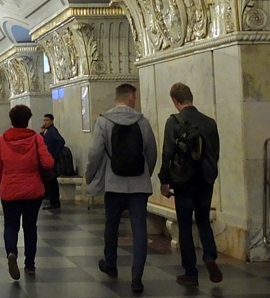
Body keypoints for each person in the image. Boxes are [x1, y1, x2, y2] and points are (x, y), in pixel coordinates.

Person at [84, 84, 157, 293]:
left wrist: (89, 175)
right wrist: (145, 174)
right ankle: (137, 277)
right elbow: (151, 153)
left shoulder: (103, 121)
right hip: (139, 184)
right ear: (131, 97)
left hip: (114, 182)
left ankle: (111, 264)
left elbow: (95, 152)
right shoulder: (142, 122)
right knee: (139, 229)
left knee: (111, 224)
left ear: (116, 98)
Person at [158, 82, 223, 286]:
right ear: (191, 98)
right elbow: (216, 152)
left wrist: (164, 181)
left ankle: (190, 273)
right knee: (203, 220)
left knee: (185, 225)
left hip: (183, 181)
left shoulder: (174, 121)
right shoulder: (210, 122)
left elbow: (168, 153)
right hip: (205, 180)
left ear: (175, 101)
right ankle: (210, 255)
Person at [0, 105, 54, 280]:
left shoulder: (2, 140)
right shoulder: (36, 138)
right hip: (33, 190)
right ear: (28, 120)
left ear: (11, 120)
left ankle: (11, 252)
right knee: (30, 227)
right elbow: (48, 163)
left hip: (10, 190)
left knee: (11, 225)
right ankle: (30, 265)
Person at [39, 114, 66, 210]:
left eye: (47, 120)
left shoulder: (53, 131)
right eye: (44, 120)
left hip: (52, 158)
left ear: (52, 121)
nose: (45, 122)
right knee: (50, 180)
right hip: (49, 158)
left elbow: (61, 141)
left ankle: (54, 201)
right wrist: (41, 133)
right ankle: (50, 198)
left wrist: (55, 154)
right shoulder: (48, 131)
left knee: (52, 181)